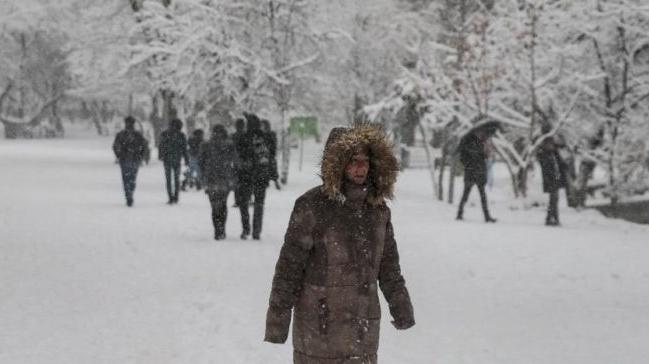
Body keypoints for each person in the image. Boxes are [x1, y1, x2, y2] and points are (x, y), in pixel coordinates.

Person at [264, 125, 415, 363]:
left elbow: (389, 267)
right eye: (352, 160)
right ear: (337, 164)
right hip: (319, 329)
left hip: (362, 331)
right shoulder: (312, 206)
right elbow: (289, 269)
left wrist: (400, 304)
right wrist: (277, 320)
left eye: (365, 160)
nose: (360, 167)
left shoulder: (377, 210)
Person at [238, 113, 272, 240]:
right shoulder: (265, 138)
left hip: (246, 175)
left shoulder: (244, 137)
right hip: (261, 175)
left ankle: (246, 229)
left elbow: (240, 156)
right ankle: (256, 231)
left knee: (244, 203)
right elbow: (270, 157)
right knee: (259, 204)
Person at [200, 125, 237, 240]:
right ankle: (221, 229)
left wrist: (203, 176)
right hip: (224, 179)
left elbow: (201, 162)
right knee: (222, 205)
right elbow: (235, 161)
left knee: (215, 206)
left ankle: (218, 229)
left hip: (211, 179)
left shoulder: (206, 145)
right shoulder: (229, 145)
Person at [456, 128, 497, 222]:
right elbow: (463, 159)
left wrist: (486, 153)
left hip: (479, 173)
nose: (481, 134)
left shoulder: (480, 142)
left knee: (482, 196)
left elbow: (484, 156)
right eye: (479, 132)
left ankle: (487, 216)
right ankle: (459, 214)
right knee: (466, 195)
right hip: (471, 173)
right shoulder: (468, 143)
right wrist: (470, 163)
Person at [112, 116, 149, 207]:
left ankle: (128, 194)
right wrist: (141, 156)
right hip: (135, 159)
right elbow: (145, 146)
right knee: (132, 178)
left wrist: (119, 155)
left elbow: (115, 146)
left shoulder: (121, 134)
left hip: (124, 159)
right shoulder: (138, 135)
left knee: (126, 178)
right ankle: (130, 193)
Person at [537, 134, 568, 226]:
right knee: (553, 199)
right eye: (550, 143)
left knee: (555, 199)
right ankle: (552, 218)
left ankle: (552, 218)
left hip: (556, 178)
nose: (552, 145)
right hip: (551, 179)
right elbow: (547, 168)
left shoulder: (554, 153)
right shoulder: (545, 154)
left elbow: (561, 163)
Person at [158, 118, 189, 204]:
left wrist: (161, 156)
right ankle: (176, 196)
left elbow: (161, 146)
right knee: (176, 179)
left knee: (169, 180)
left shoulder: (165, 134)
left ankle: (171, 197)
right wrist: (186, 159)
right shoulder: (181, 135)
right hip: (177, 159)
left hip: (167, 159)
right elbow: (184, 148)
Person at [260, 119, 281, 190]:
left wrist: (269, 150)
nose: (262, 127)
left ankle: (276, 183)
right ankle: (266, 182)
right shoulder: (261, 134)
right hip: (263, 155)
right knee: (265, 169)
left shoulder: (271, 134)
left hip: (270, 155)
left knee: (272, 169)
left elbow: (273, 144)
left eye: (263, 125)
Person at [232, 118, 247, 208]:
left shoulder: (234, 136)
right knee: (244, 182)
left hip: (236, 162)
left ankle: (238, 200)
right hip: (244, 162)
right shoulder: (246, 136)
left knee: (237, 183)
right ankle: (244, 199)